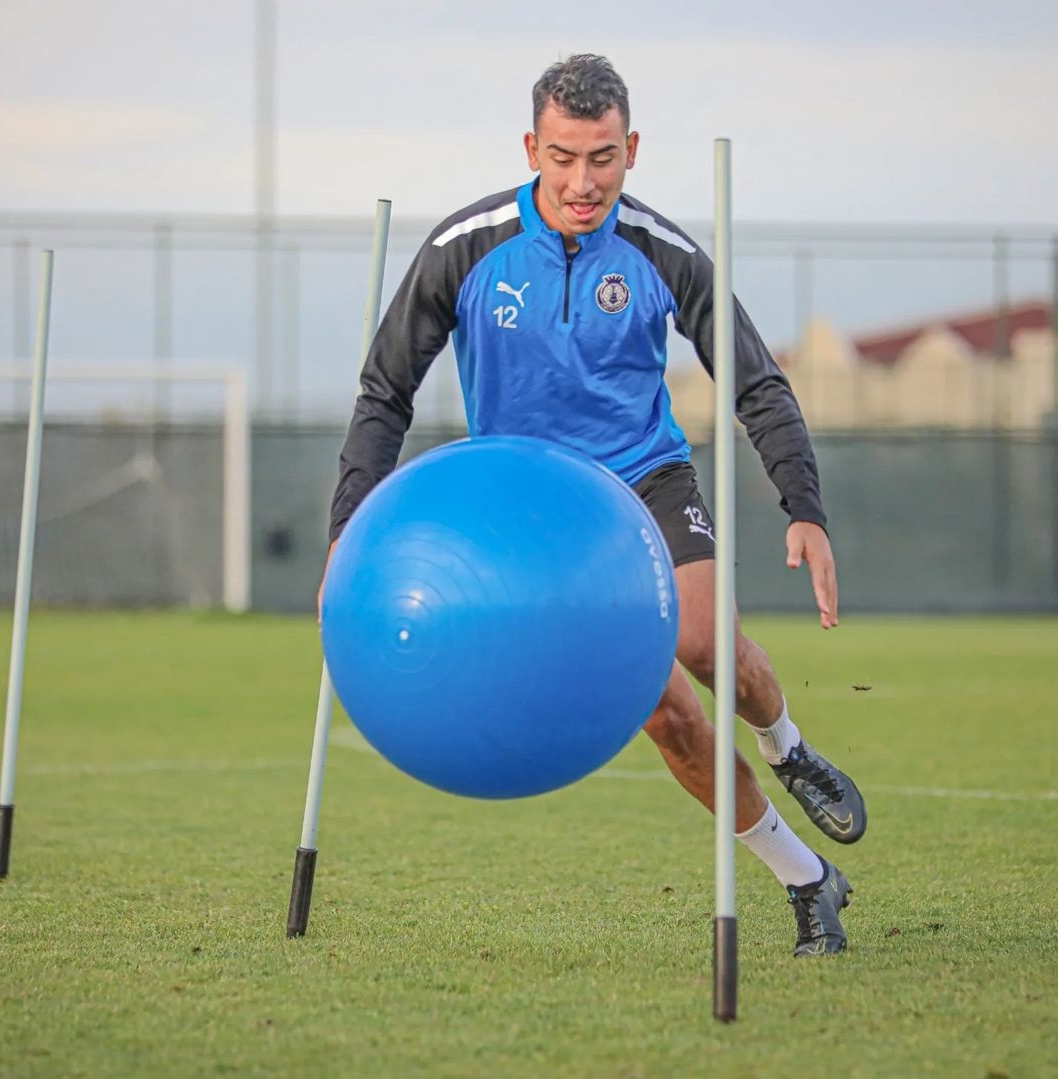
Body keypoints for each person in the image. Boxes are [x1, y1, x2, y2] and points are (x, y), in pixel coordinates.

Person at [323, 54, 866, 957]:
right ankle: (807, 878)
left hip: (645, 480)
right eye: (565, 157)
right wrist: (345, 536)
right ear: (532, 147)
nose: (583, 183)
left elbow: (756, 383)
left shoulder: (664, 251)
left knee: (708, 647)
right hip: (535, 511)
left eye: (604, 158)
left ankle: (787, 743)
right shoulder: (467, 247)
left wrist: (802, 507)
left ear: (633, 149)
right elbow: (385, 393)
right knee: (663, 709)